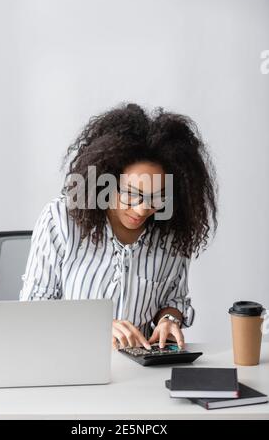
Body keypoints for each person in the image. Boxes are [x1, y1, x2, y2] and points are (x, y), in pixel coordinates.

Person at [19, 103, 218, 350]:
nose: (142, 209)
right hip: (70, 361)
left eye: (157, 197)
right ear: (106, 182)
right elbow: (34, 307)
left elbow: (172, 299)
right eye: (131, 194)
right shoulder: (62, 219)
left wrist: (168, 320)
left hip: (139, 370)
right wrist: (96, 326)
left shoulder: (170, 235)